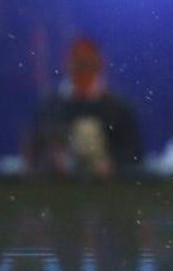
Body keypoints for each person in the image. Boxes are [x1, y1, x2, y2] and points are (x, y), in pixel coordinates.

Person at [26, 37, 142, 178]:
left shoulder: (119, 108)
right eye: (78, 61)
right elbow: (34, 150)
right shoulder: (50, 106)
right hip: (58, 190)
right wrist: (56, 162)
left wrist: (111, 165)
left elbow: (134, 152)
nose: (83, 67)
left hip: (110, 191)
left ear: (100, 63)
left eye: (88, 61)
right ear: (67, 63)